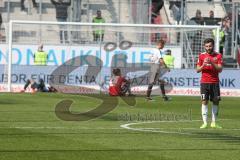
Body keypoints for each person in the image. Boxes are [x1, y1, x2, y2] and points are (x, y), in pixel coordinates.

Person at [196, 38, 223, 129]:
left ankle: (214, 123)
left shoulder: (218, 56)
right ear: (204, 46)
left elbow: (220, 69)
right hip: (204, 83)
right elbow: (197, 70)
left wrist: (211, 62)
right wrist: (203, 64)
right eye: (206, 46)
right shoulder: (201, 56)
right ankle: (204, 123)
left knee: (215, 102)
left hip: (215, 83)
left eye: (210, 46)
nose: (208, 48)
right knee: (204, 101)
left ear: (213, 46)